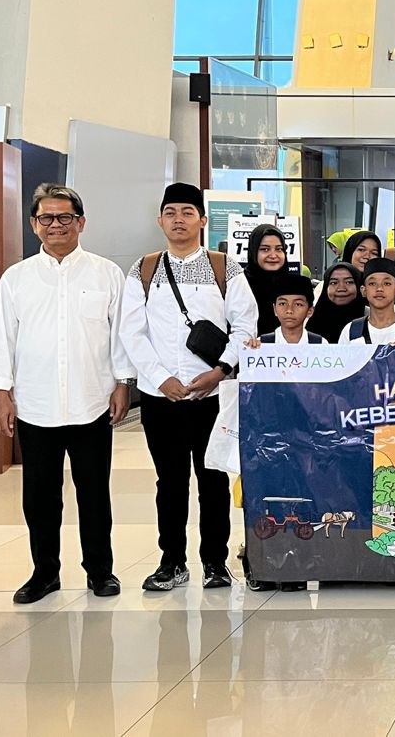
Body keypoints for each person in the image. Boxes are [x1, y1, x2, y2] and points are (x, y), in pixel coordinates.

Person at [0, 185, 133, 606]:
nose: (55, 225)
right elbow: (2, 339)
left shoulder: (106, 273)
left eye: (64, 217)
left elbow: (119, 334)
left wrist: (123, 382)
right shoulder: (16, 278)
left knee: (94, 493)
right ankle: (44, 572)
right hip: (36, 405)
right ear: (34, 225)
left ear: (81, 223)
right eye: (46, 218)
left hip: (92, 402)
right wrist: (1, 392)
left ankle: (100, 571)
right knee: (39, 496)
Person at [118, 182, 259, 592]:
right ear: (160, 219)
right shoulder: (143, 269)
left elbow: (245, 325)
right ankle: (172, 562)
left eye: (187, 212)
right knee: (170, 482)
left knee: (213, 480)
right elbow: (132, 332)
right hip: (163, 398)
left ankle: (215, 562)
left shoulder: (223, 267)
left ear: (201, 219)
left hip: (212, 395)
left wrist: (220, 370)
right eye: (170, 212)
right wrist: (161, 379)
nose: (178, 220)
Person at [344, 258, 395, 345]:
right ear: (363, 290)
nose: (379, 289)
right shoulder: (351, 331)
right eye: (372, 283)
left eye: (387, 283)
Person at [243, 223, 291, 336]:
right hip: (245, 349)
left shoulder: (292, 285)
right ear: (253, 252)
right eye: (265, 249)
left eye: (279, 249)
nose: (273, 255)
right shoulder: (240, 284)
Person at [307, 262, 365, 343]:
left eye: (349, 282)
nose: (341, 288)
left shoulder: (371, 318)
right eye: (334, 283)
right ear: (326, 287)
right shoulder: (312, 322)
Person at [261, 274, 324, 344]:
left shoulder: (320, 344)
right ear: (275, 309)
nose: (289, 310)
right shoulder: (261, 344)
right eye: (282, 304)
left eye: (298, 304)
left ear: (310, 311)